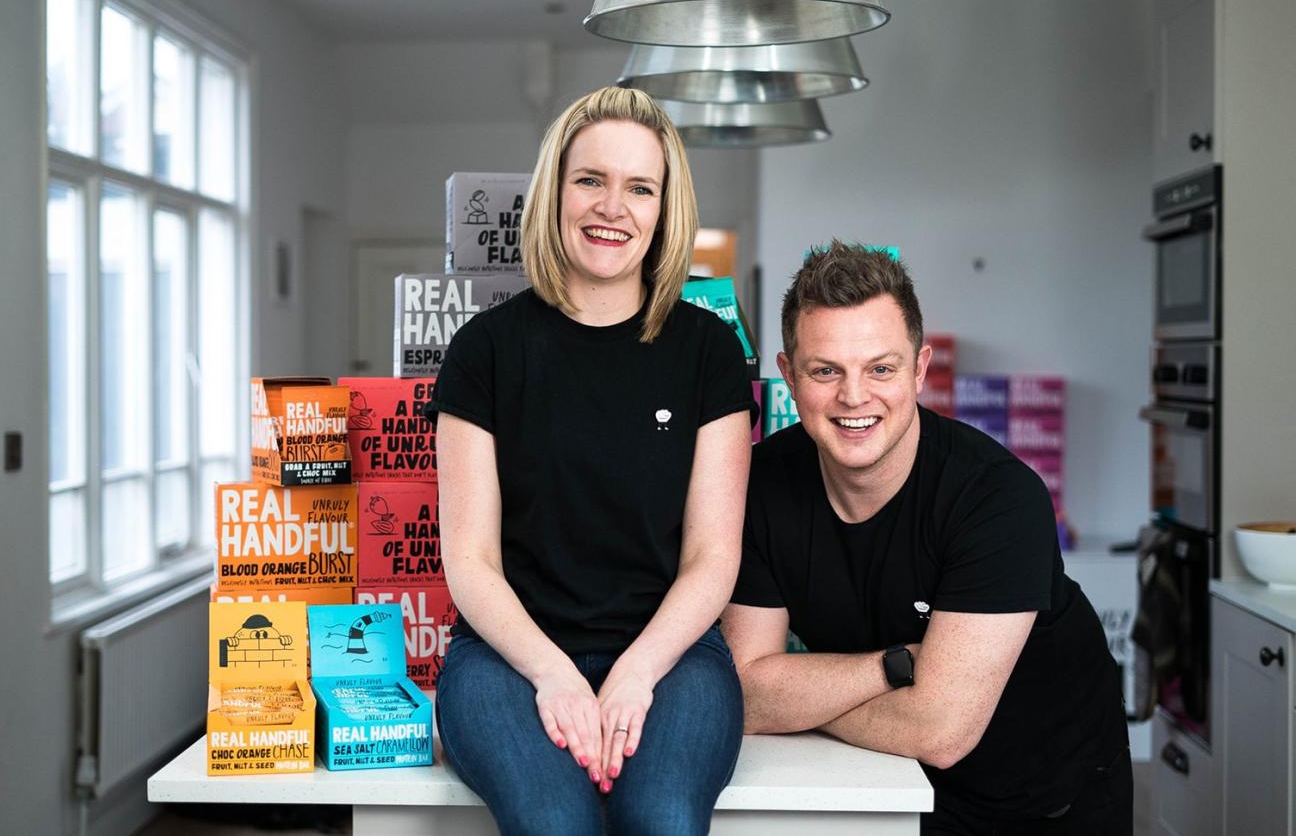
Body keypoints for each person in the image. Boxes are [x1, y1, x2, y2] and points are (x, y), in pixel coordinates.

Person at [428, 86, 754, 836]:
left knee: (665, 818)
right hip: (507, 656)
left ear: (664, 208)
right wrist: (552, 674)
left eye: (640, 187)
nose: (614, 206)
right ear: (555, 192)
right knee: (554, 822)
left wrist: (636, 672)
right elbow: (471, 559)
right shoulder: (484, 352)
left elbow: (712, 556)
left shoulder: (706, 353)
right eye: (590, 180)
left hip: (674, 656)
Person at [721, 242, 1131, 835]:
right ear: (788, 375)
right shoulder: (761, 486)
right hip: (899, 786)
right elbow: (745, 696)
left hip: (1048, 799)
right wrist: (895, 669)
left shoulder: (997, 497)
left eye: (881, 368)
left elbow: (940, 730)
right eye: (825, 370)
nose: (854, 397)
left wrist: (803, 702)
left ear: (919, 370)